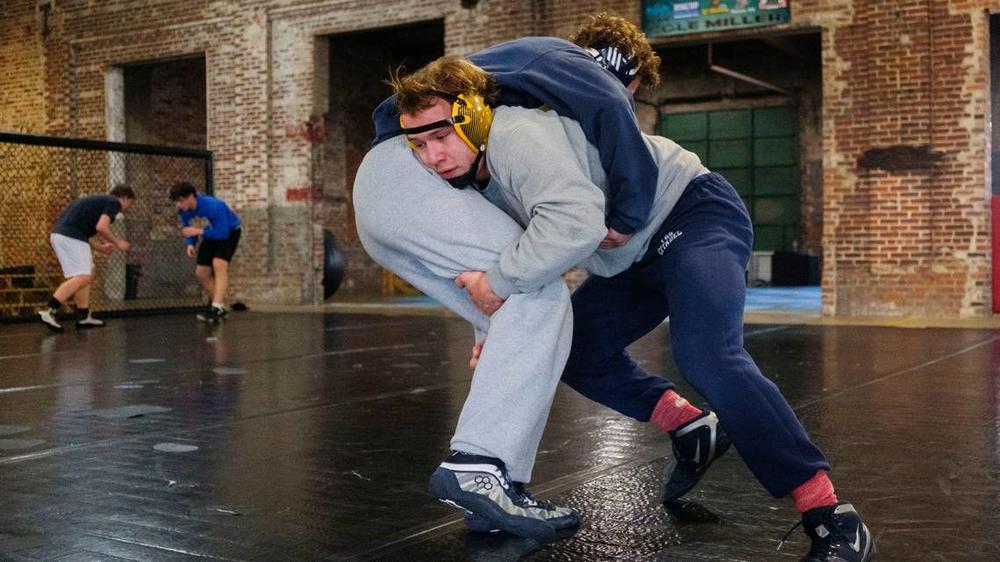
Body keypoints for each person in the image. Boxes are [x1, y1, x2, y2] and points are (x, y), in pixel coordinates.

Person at [389, 50, 876, 561]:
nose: (432, 158)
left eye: (440, 137)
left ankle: (830, 516)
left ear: (473, 117)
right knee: (573, 352)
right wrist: (490, 331)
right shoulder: (473, 177)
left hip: (690, 214)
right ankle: (690, 427)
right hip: (630, 260)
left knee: (707, 354)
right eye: (419, 145)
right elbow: (505, 259)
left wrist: (499, 282)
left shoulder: (515, 136)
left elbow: (566, 231)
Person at [38, 185, 135, 332]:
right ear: (125, 198)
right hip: (70, 237)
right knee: (83, 276)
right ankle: (50, 310)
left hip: (63, 236)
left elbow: (85, 233)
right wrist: (118, 243)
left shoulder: (98, 203)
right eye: (130, 203)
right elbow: (101, 227)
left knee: (88, 273)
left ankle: (83, 316)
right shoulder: (114, 202)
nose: (128, 207)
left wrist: (101, 248)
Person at [169, 182, 241, 323]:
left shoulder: (214, 205)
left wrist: (198, 231)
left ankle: (216, 307)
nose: (178, 205)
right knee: (201, 272)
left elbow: (223, 233)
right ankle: (220, 308)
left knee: (219, 264)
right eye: (176, 201)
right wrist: (190, 243)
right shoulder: (184, 211)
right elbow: (189, 228)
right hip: (209, 231)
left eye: (180, 200)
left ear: (191, 197)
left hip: (229, 232)